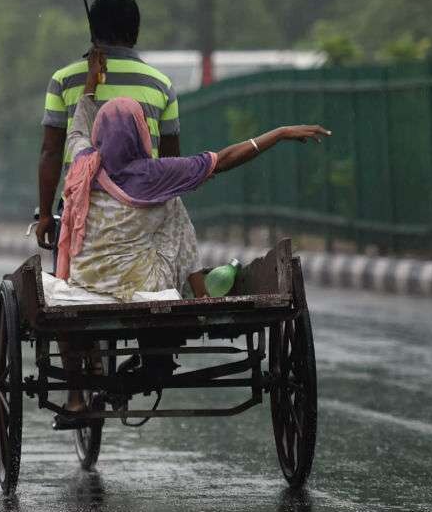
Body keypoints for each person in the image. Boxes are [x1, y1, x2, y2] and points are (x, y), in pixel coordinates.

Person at [54, 46, 329, 419]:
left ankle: (76, 394)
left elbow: (77, 126)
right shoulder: (157, 174)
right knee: (174, 206)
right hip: (143, 286)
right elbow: (226, 159)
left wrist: (92, 79)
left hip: (86, 282)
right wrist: (277, 134)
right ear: (140, 135)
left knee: (168, 207)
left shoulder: (83, 163)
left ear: (101, 136)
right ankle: (199, 293)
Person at [36, 0, 181, 251]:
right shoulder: (161, 85)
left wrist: (45, 215)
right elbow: (171, 161)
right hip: (143, 208)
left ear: (93, 31)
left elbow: (51, 152)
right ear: (135, 33)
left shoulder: (63, 81)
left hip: (80, 210)